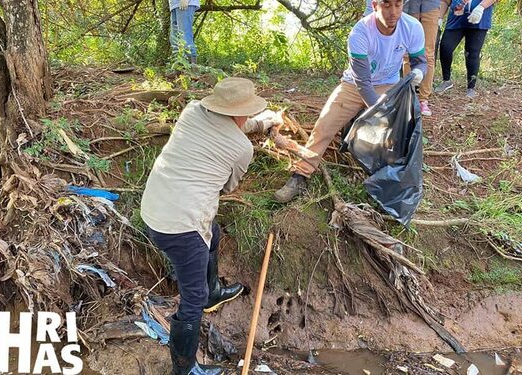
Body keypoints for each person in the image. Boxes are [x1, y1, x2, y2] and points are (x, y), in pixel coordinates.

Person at [141, 77, 282, 375]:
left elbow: (230, 127)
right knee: (191, 299)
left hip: (154, 206)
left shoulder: (192, 110)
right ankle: (185, 369)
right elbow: (228, 186)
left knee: (213, 234)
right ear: (241, 111)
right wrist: (256, 129)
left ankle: (213, 290)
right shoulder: (242, 149)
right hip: (180, 226)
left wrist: (263, 122)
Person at [274, 0, 427, 203]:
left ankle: (388, 184)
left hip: (390, 84)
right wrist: (380, 110)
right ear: (375, 6)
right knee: (325, 125)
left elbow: (421, 60)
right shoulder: (361, 32)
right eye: (387, 5)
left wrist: (418, 72)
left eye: (398, 5)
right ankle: (301, 174)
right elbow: (363, 82)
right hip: (354, 85)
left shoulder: (412, 27)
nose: (393, 12)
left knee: (397, 134)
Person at [435, 0, 497, 98]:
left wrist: (481, 7)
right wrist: (439, 17)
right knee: (445, 47)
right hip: (456, 19)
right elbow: (445, 1)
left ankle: (471, 87)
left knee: (472, 53)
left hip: (479, 19)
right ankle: (446, 80)